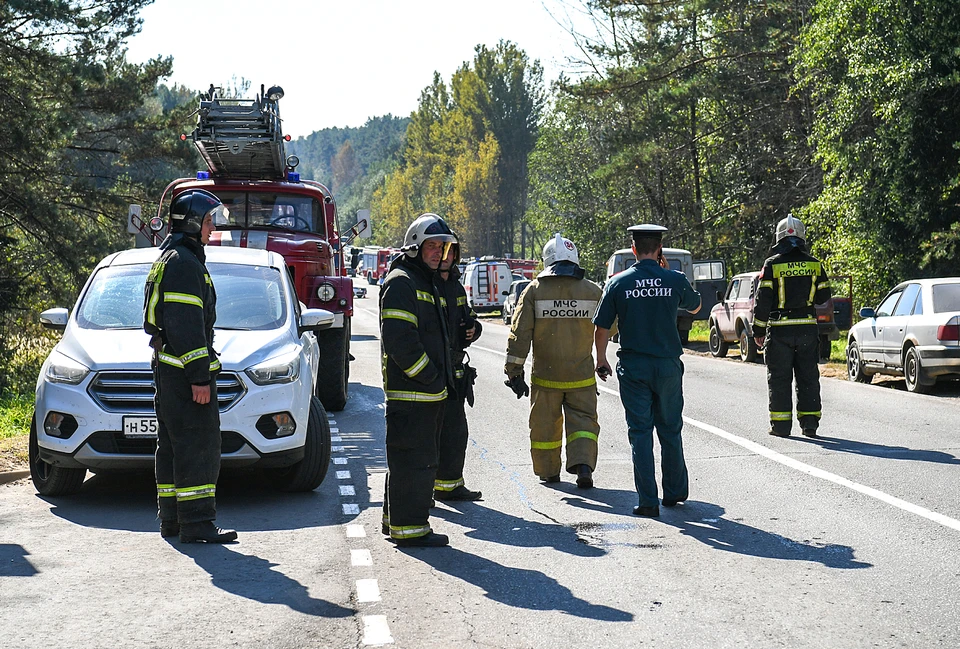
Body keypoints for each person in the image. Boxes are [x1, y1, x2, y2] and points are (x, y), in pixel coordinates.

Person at [143, 189, 236, 543]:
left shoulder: (172, 258)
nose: (213, 228)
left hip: (168, 373)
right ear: (195, 222)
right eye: (210, 221)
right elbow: (186, 327)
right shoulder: (184, 264)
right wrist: (200, 377)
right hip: (184, 376)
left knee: (171, 447)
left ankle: (173, 520)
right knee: (198, 447)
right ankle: (197, 524)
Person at [593, 224, 701, 518]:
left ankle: (648, 501)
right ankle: (675, 491)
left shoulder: (618, 283)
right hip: (666, 366)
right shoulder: (674, 279)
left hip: (634, 367)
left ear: (633, 250)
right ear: (660, 249)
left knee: (640, 432)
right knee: (669, 428)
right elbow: (695, 306)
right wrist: (669, 277)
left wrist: (601, 358)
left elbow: (601, 326)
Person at [379, 213, 457, 547]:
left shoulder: (426, 281)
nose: (439, 253)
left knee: (406, 461)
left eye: (443, 247)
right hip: (414, 394)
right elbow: (401, 343)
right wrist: (432, 379)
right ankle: (411, 529)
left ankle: (393, 520)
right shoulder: (403, 282)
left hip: (425, 394)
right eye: (432, 246)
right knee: (416, 462)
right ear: (415, 246)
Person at [504, 234, 603, 488]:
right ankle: (583, 466)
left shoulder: (534, 291)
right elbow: (609, 327)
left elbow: (520, 333)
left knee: (545, 428)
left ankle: (549, 471)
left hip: (546, 378)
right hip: (581, 376)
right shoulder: (593, 291)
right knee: (583, 421)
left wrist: (514, 372)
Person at [753, 215, 831, 439]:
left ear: (779, 239)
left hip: (779, 331)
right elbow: (823, 296)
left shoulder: (772, 264)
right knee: (808, 377)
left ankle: (781, 427)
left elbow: (763, 301)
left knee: (779, 379)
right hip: (807, 329)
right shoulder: (814, 264)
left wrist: (758, 331)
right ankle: (809, 425)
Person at [434, 235, 483, 501]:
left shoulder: (456, 287)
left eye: (452, 253)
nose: (447, 257)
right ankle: (426, 487)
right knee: (431, 433)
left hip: (455, 370)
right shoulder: (426, 285)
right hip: (432, 371)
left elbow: (469, 318)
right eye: (443, 252)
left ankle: (450, 486)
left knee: (456, 432)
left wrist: (474, 329)